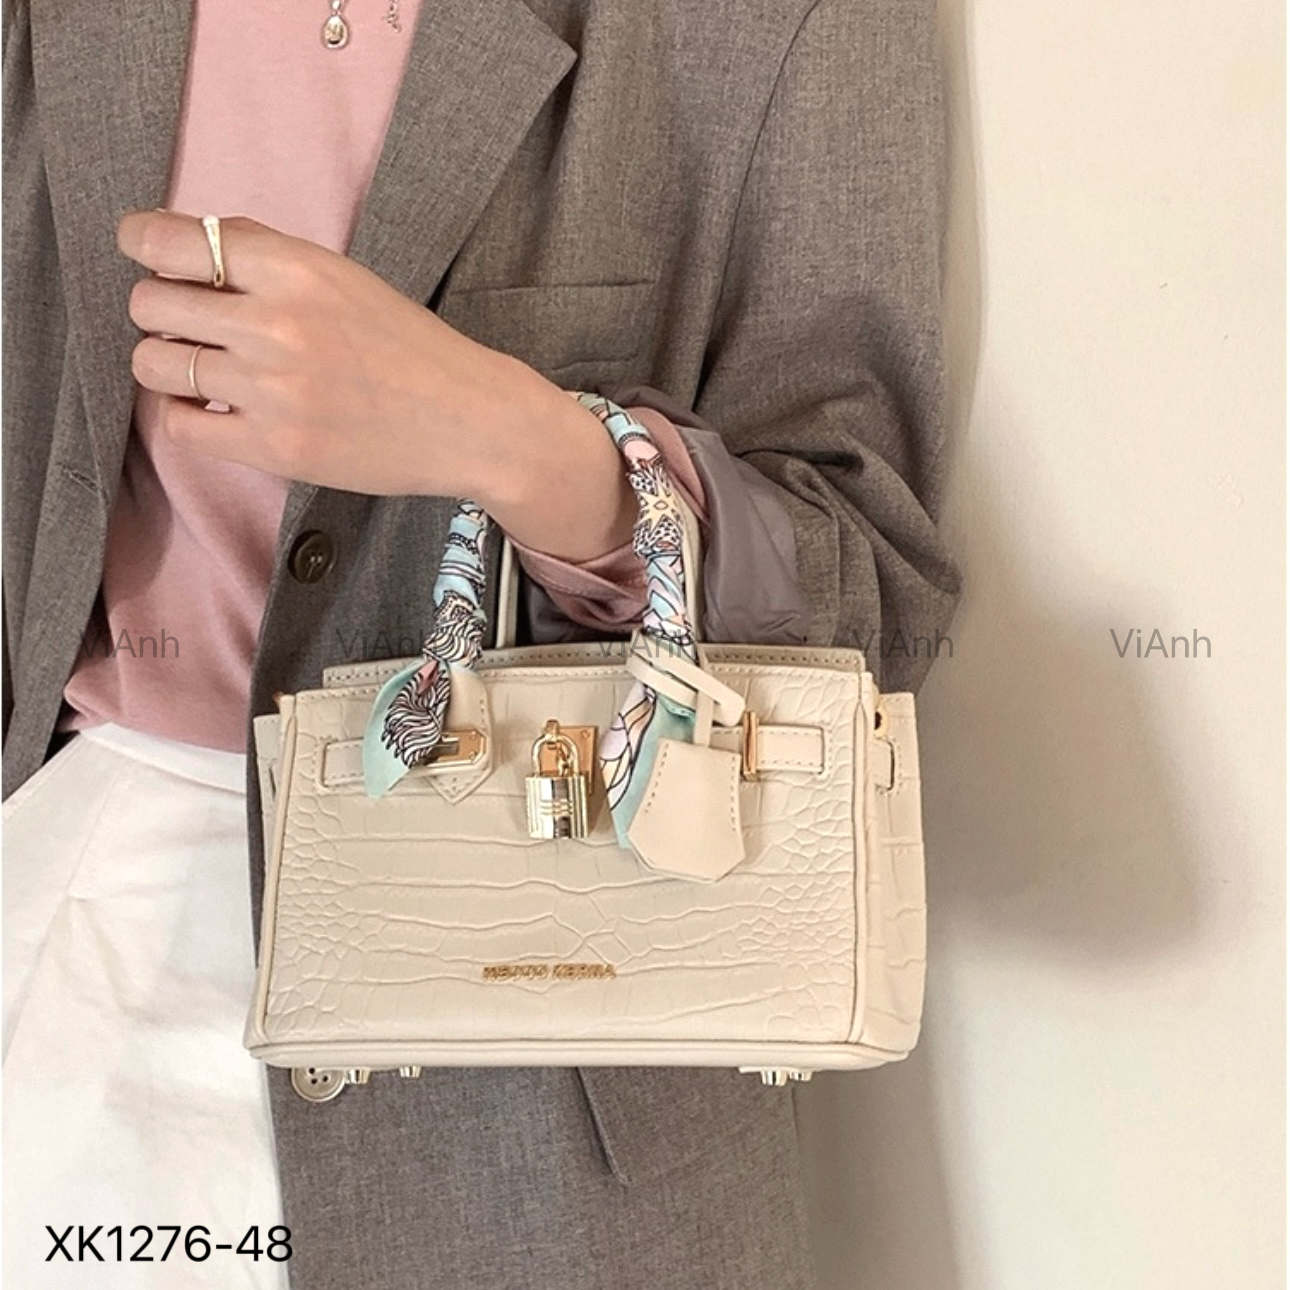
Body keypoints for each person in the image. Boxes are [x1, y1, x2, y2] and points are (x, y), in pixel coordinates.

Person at [2, 0, 961, 1286]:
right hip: (75, 944)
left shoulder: (774, 25)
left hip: (545, 1025)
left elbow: (871, 599)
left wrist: (519, 443)